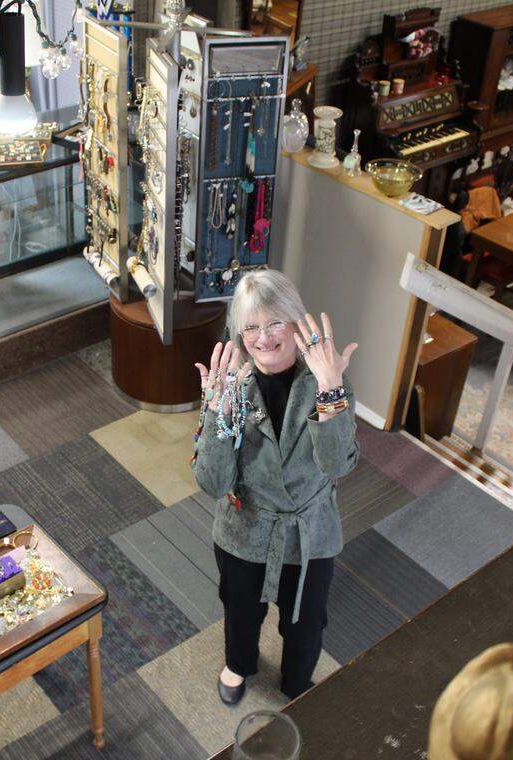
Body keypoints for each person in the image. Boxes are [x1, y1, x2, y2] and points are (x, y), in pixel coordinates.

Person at [192, 270, 359, 705]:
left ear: (296, 323)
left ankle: (297, 680)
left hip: (310, 531)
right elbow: (213, 482)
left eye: (274, 323)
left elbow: (337, 463)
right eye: (250, 327)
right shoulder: (233, 389)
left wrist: (330, 390)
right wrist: (216, 413)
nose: (262, 338)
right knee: (241, 608)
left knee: (306, 619)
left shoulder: (327, 379)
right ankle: (238, 664)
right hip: (245, 527)